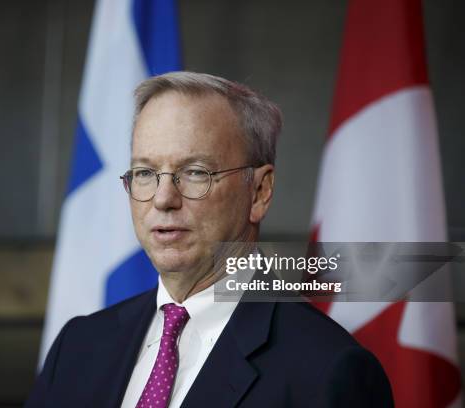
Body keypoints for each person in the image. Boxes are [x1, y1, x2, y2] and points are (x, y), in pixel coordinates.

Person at [25, 72, 394, 407]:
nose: (163, 198)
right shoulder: (77, 348)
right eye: (145, 172)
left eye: (195, 172)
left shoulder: (328, 371)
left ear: (260, 192)